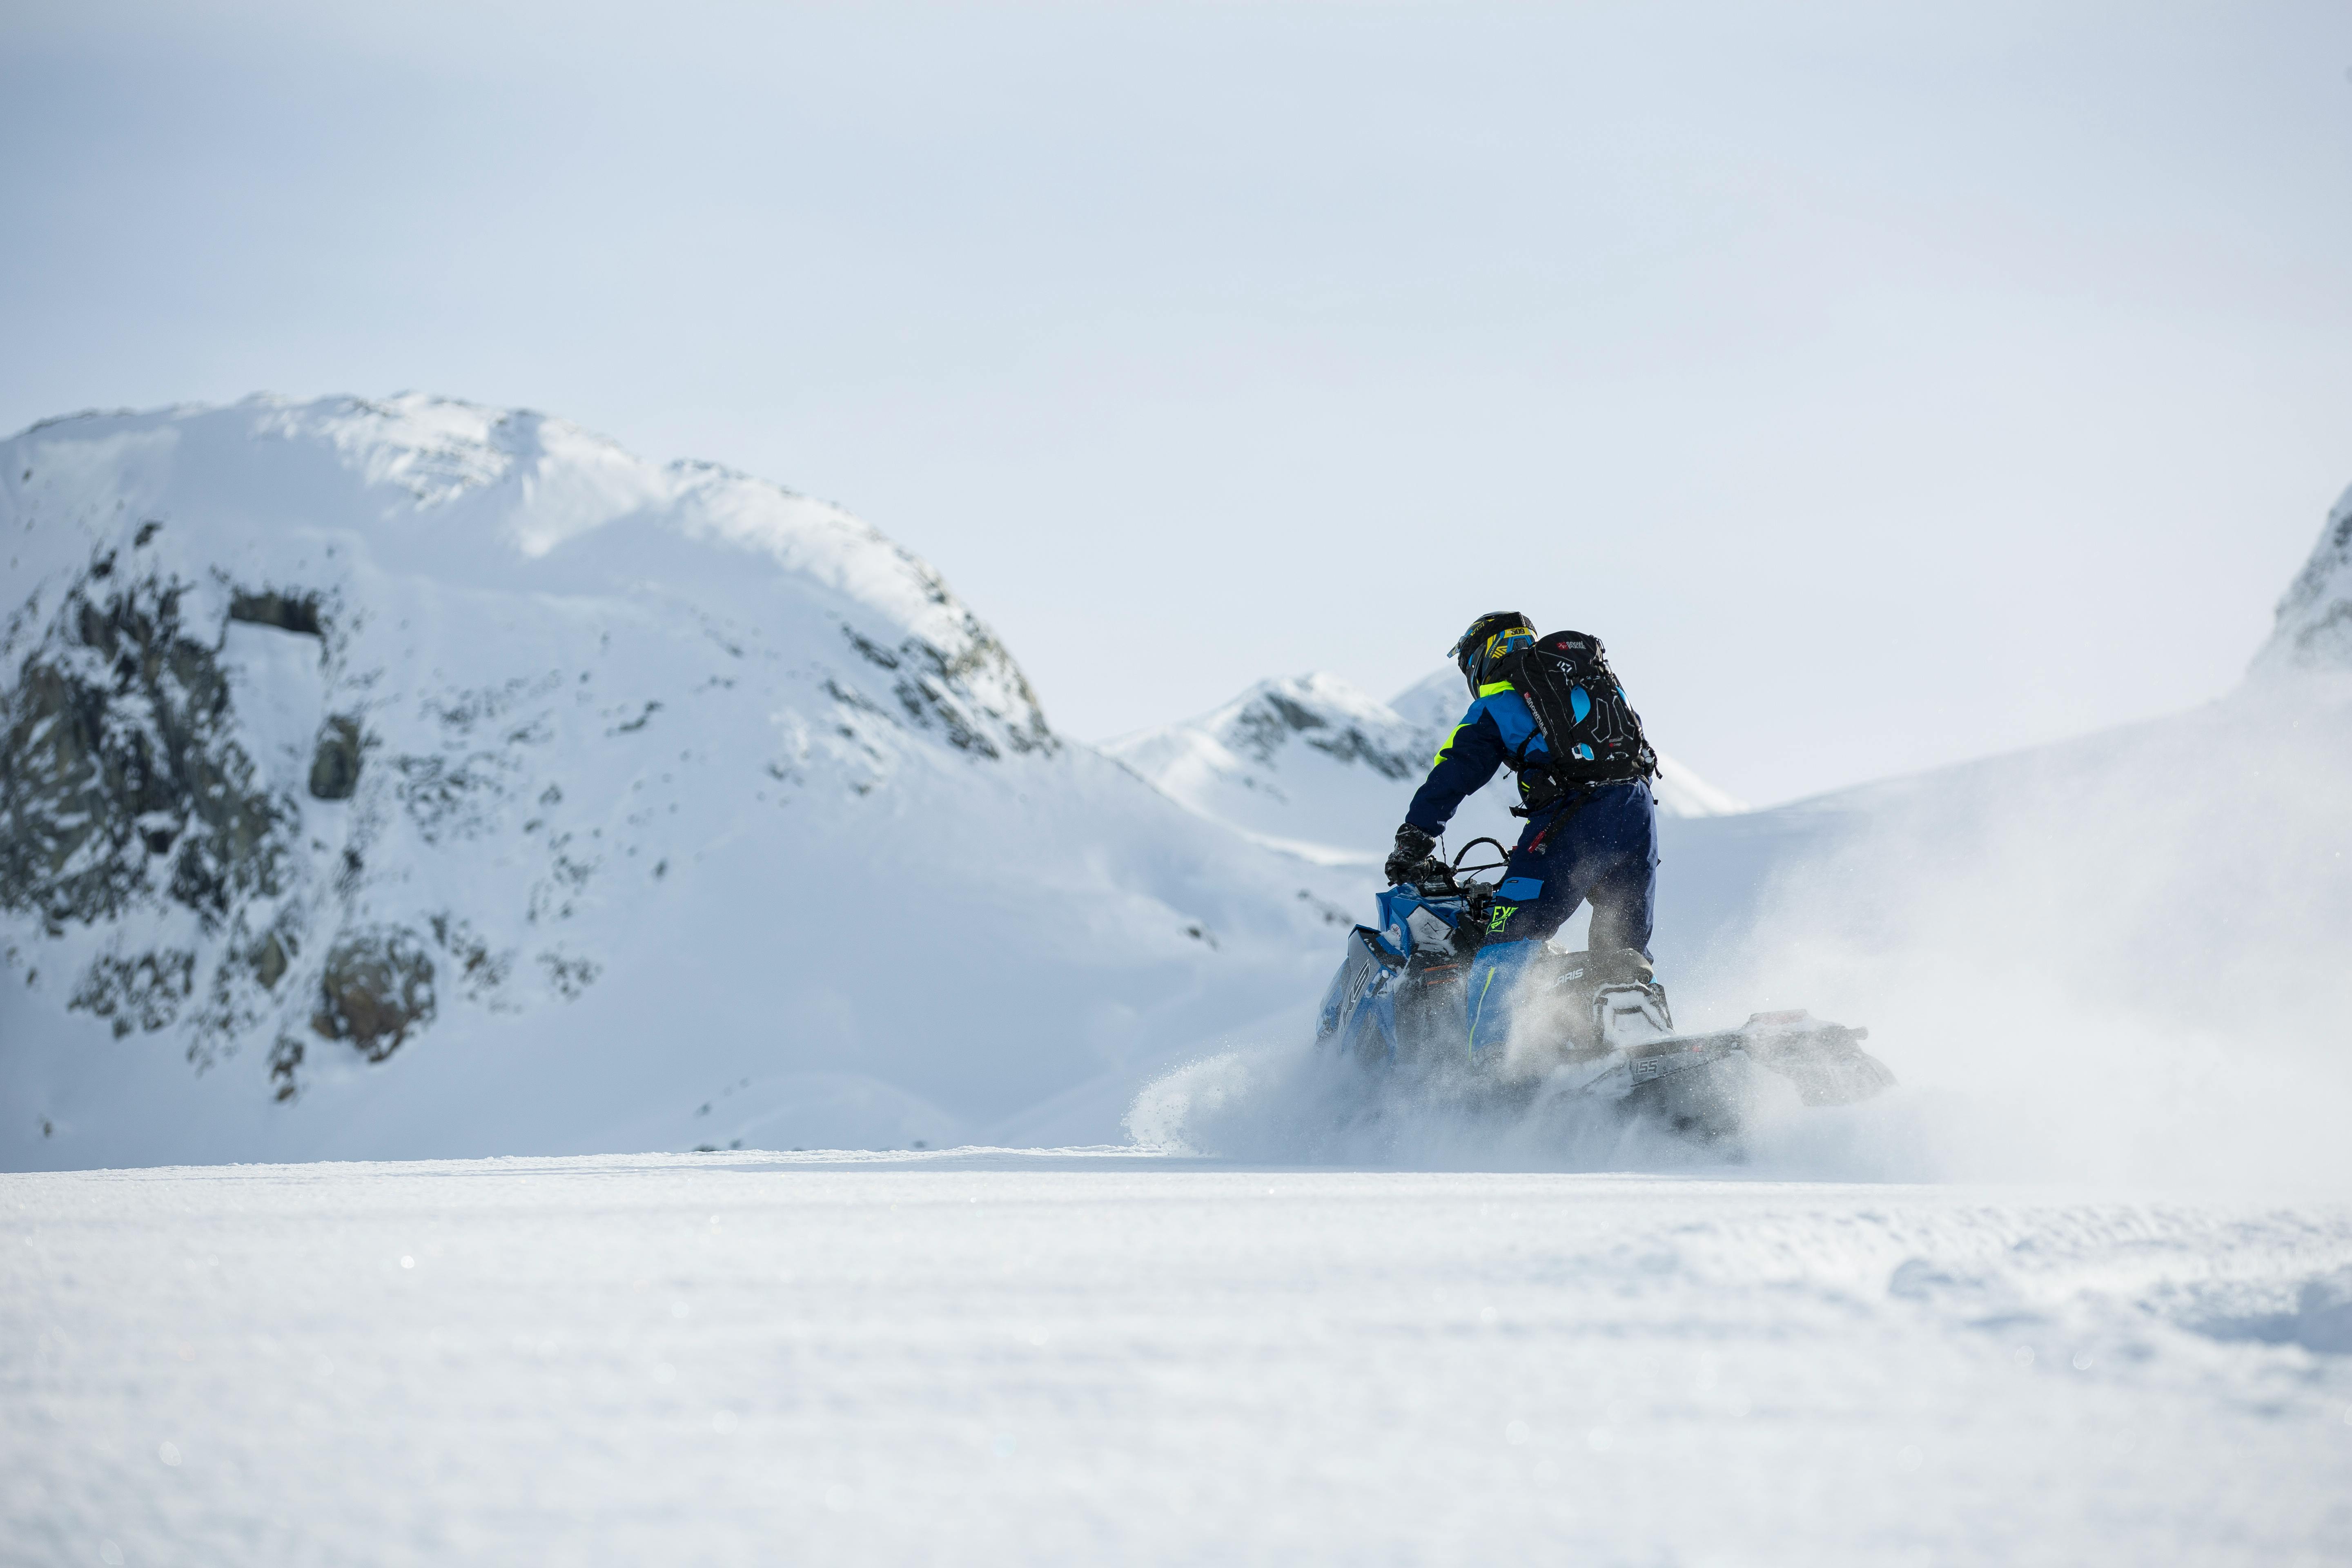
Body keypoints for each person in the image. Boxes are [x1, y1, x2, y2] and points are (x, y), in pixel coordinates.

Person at [1383, 612, 1659, 1056]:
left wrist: (1414, 837)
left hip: (1574, 814)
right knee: (1621, 950)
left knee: (1508, 941)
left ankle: (1493, 1064)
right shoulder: (1588, 681)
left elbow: (1455, 771)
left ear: (1483, 657)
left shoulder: (1500, 695)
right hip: (1637, 812)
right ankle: (1626, 1047)